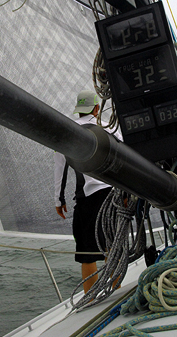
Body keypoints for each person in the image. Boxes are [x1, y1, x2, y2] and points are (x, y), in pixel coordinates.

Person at [53, 90, 121, 293]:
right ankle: (117, 294)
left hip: (87, 199)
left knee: (87, 254)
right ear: (97, 108)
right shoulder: (110, 130)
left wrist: (59, 201)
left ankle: (91, 299)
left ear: (78, 111)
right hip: (112, 196)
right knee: (112, 247)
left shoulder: (67, 133)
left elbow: (59, 169)